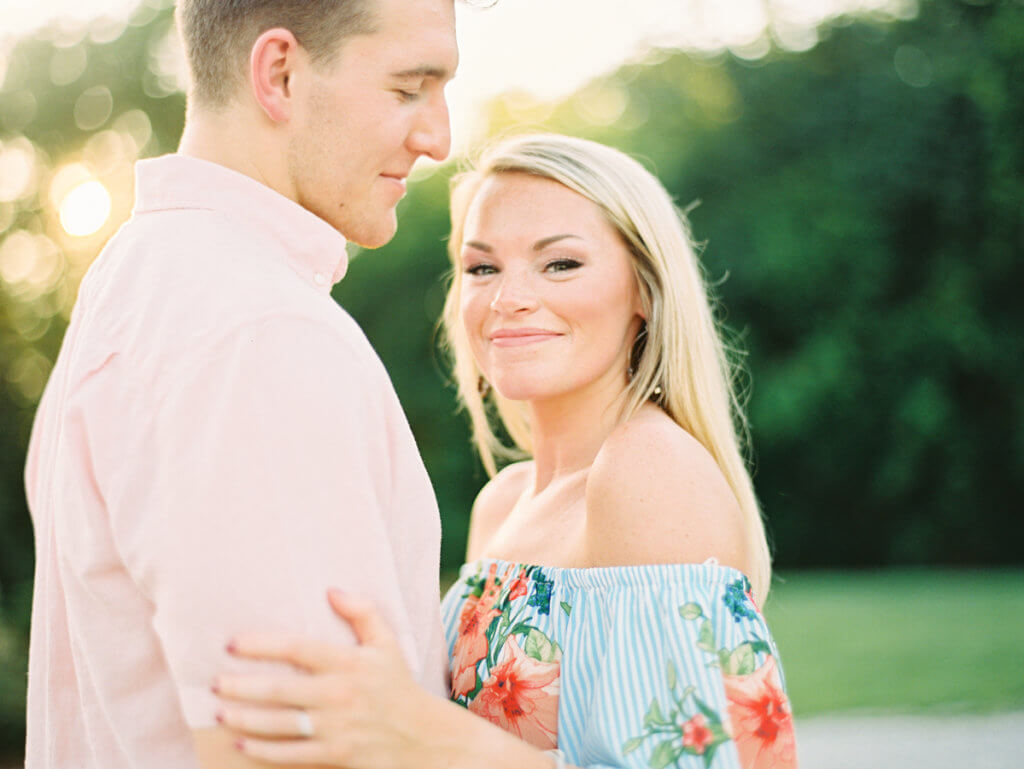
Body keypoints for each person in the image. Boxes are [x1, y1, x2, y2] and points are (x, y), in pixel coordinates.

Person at [211, 133, 799, 769]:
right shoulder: (503, 503)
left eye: (560, 263)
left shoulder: (648, 471)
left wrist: (420, 733)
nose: (507, 298)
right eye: (482, 267)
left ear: (645, 294)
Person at [22, 0, 458, 767]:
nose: (438, 137)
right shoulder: (258, 335)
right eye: (408, 88)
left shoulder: (131, 286)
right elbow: (301, 753)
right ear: (280, 75)